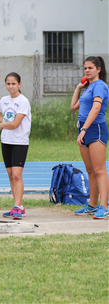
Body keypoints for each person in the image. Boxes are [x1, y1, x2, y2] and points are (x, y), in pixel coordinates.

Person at [70, 56, 109, 219]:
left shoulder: (100, 86)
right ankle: (92, 205)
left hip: (95, 128)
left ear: (98, 69)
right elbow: (73, 107)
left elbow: (96, 108)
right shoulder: (89, 87)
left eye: (90, 68)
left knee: (99, 170)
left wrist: (84, 129)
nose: (87, 70)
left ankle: (104, 207)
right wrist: (78, 88)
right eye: (85, 68)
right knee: (90, 170)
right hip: (83, 128)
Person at [0, 72, 31, 219]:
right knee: (10, 175)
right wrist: (1, 120)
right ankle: (18, 206)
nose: (11, 86)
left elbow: (15, 124)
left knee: (17, 175)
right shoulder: (4, 100)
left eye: (13, 83)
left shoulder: (23, 101)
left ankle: (17, 206)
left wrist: (3, 124)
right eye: (8, 84)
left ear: (19, 84)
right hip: (6, 141)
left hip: (19, 142)